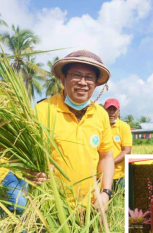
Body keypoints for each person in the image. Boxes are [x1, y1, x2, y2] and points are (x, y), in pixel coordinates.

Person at [36, 50, 115, 211]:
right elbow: (27, 155)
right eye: (76, 75)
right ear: (63, 79)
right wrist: (32, 172)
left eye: (89, 77)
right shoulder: (43, 110)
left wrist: (106, 192)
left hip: (91, 208)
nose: (83, 82)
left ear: (96, 83)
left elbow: (106, 156)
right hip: (50, 207)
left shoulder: (100, 114)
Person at [104, 98, 132, 190]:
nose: (111, 112)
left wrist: (110, 162)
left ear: (118, 111)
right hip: (101, 174)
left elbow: (127, 151)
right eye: (109, 109)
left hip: (118, 175)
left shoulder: (124, 127)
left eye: (114, 110)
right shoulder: (100, 126)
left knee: (120, 202)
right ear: (104, 111)